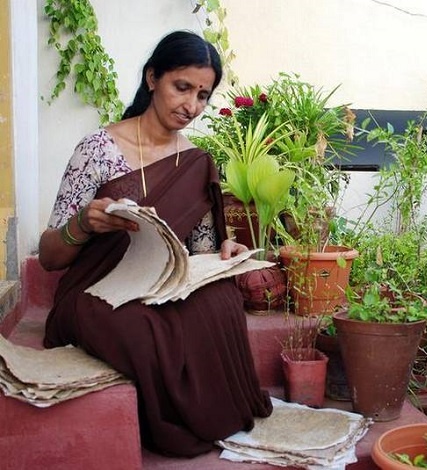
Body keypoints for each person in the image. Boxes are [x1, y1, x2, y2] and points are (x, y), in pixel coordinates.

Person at [39, 30, 273, 457]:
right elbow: (52, 256)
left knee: (220, 297)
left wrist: (225, 255)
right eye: (181, 87)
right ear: (152, 79)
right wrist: (83, 225)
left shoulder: (196, 161)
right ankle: (179, 423)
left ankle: (211, 413)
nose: (191, 106)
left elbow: (200, 249)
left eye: (203, 95)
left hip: (160, 283)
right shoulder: (99, 149)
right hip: (97, 290)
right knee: (139, 327)